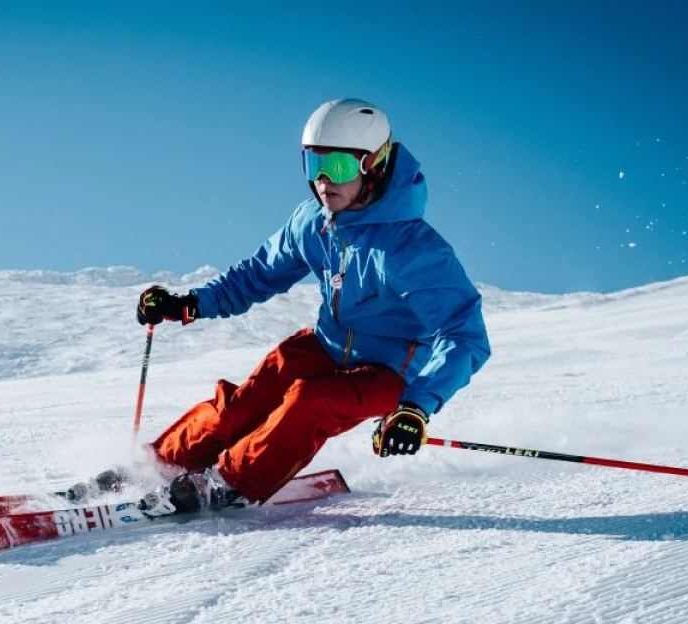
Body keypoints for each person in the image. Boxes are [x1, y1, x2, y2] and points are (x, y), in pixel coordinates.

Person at [133, 98, 491, 516]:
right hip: (326, 344)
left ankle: (228, 483)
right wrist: (189, 303)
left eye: (337, 167)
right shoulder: (313, 222)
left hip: (393, 371)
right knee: (247, 401)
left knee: (311, 400)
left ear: (372, 165)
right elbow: (256, 274)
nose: (322, 181)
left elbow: (464, 336)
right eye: (312, 164)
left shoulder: (412, 250)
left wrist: (417, 406)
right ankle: (158, 464)